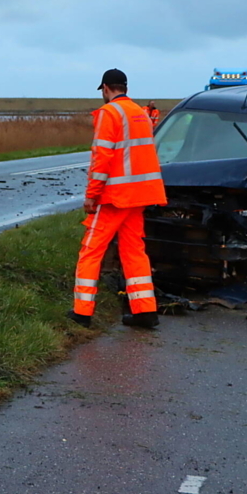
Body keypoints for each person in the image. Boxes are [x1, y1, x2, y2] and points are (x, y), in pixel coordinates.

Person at [69, 69, 167, 329]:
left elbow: (101, 159)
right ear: (124, 86)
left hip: (116, 196)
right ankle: (145, 312)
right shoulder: (141, 113)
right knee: (134, 251)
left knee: (91, 250)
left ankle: (82, 312)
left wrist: (92, 196)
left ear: (104, 88)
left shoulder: (109, 113)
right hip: (140, 195)